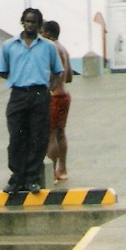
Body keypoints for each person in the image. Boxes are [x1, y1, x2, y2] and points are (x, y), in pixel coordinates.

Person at [0, 8, 64, 194]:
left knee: (38, 137)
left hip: (40, 95)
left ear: (39, 24)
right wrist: (18, 78)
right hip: (18, 95)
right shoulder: (9, 46)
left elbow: (58, 71)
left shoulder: (48, 47)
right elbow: (3, 70)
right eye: (27, 21)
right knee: (16, 137)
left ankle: (32, 178)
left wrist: (49, 88)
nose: (30, 25)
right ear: (22, 22)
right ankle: (17, 177)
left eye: (34, 22)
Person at [40, 20, 73, 184]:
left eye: (42, 32)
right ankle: (63, 169)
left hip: (54, 95)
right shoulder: (64, 49)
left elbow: (52, 73)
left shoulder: (51, 48)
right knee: (60, 132)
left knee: (50, 134)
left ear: (48, 33)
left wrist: (49, 88)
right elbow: (69, 77)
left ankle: (52, 172)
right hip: (65, 94)